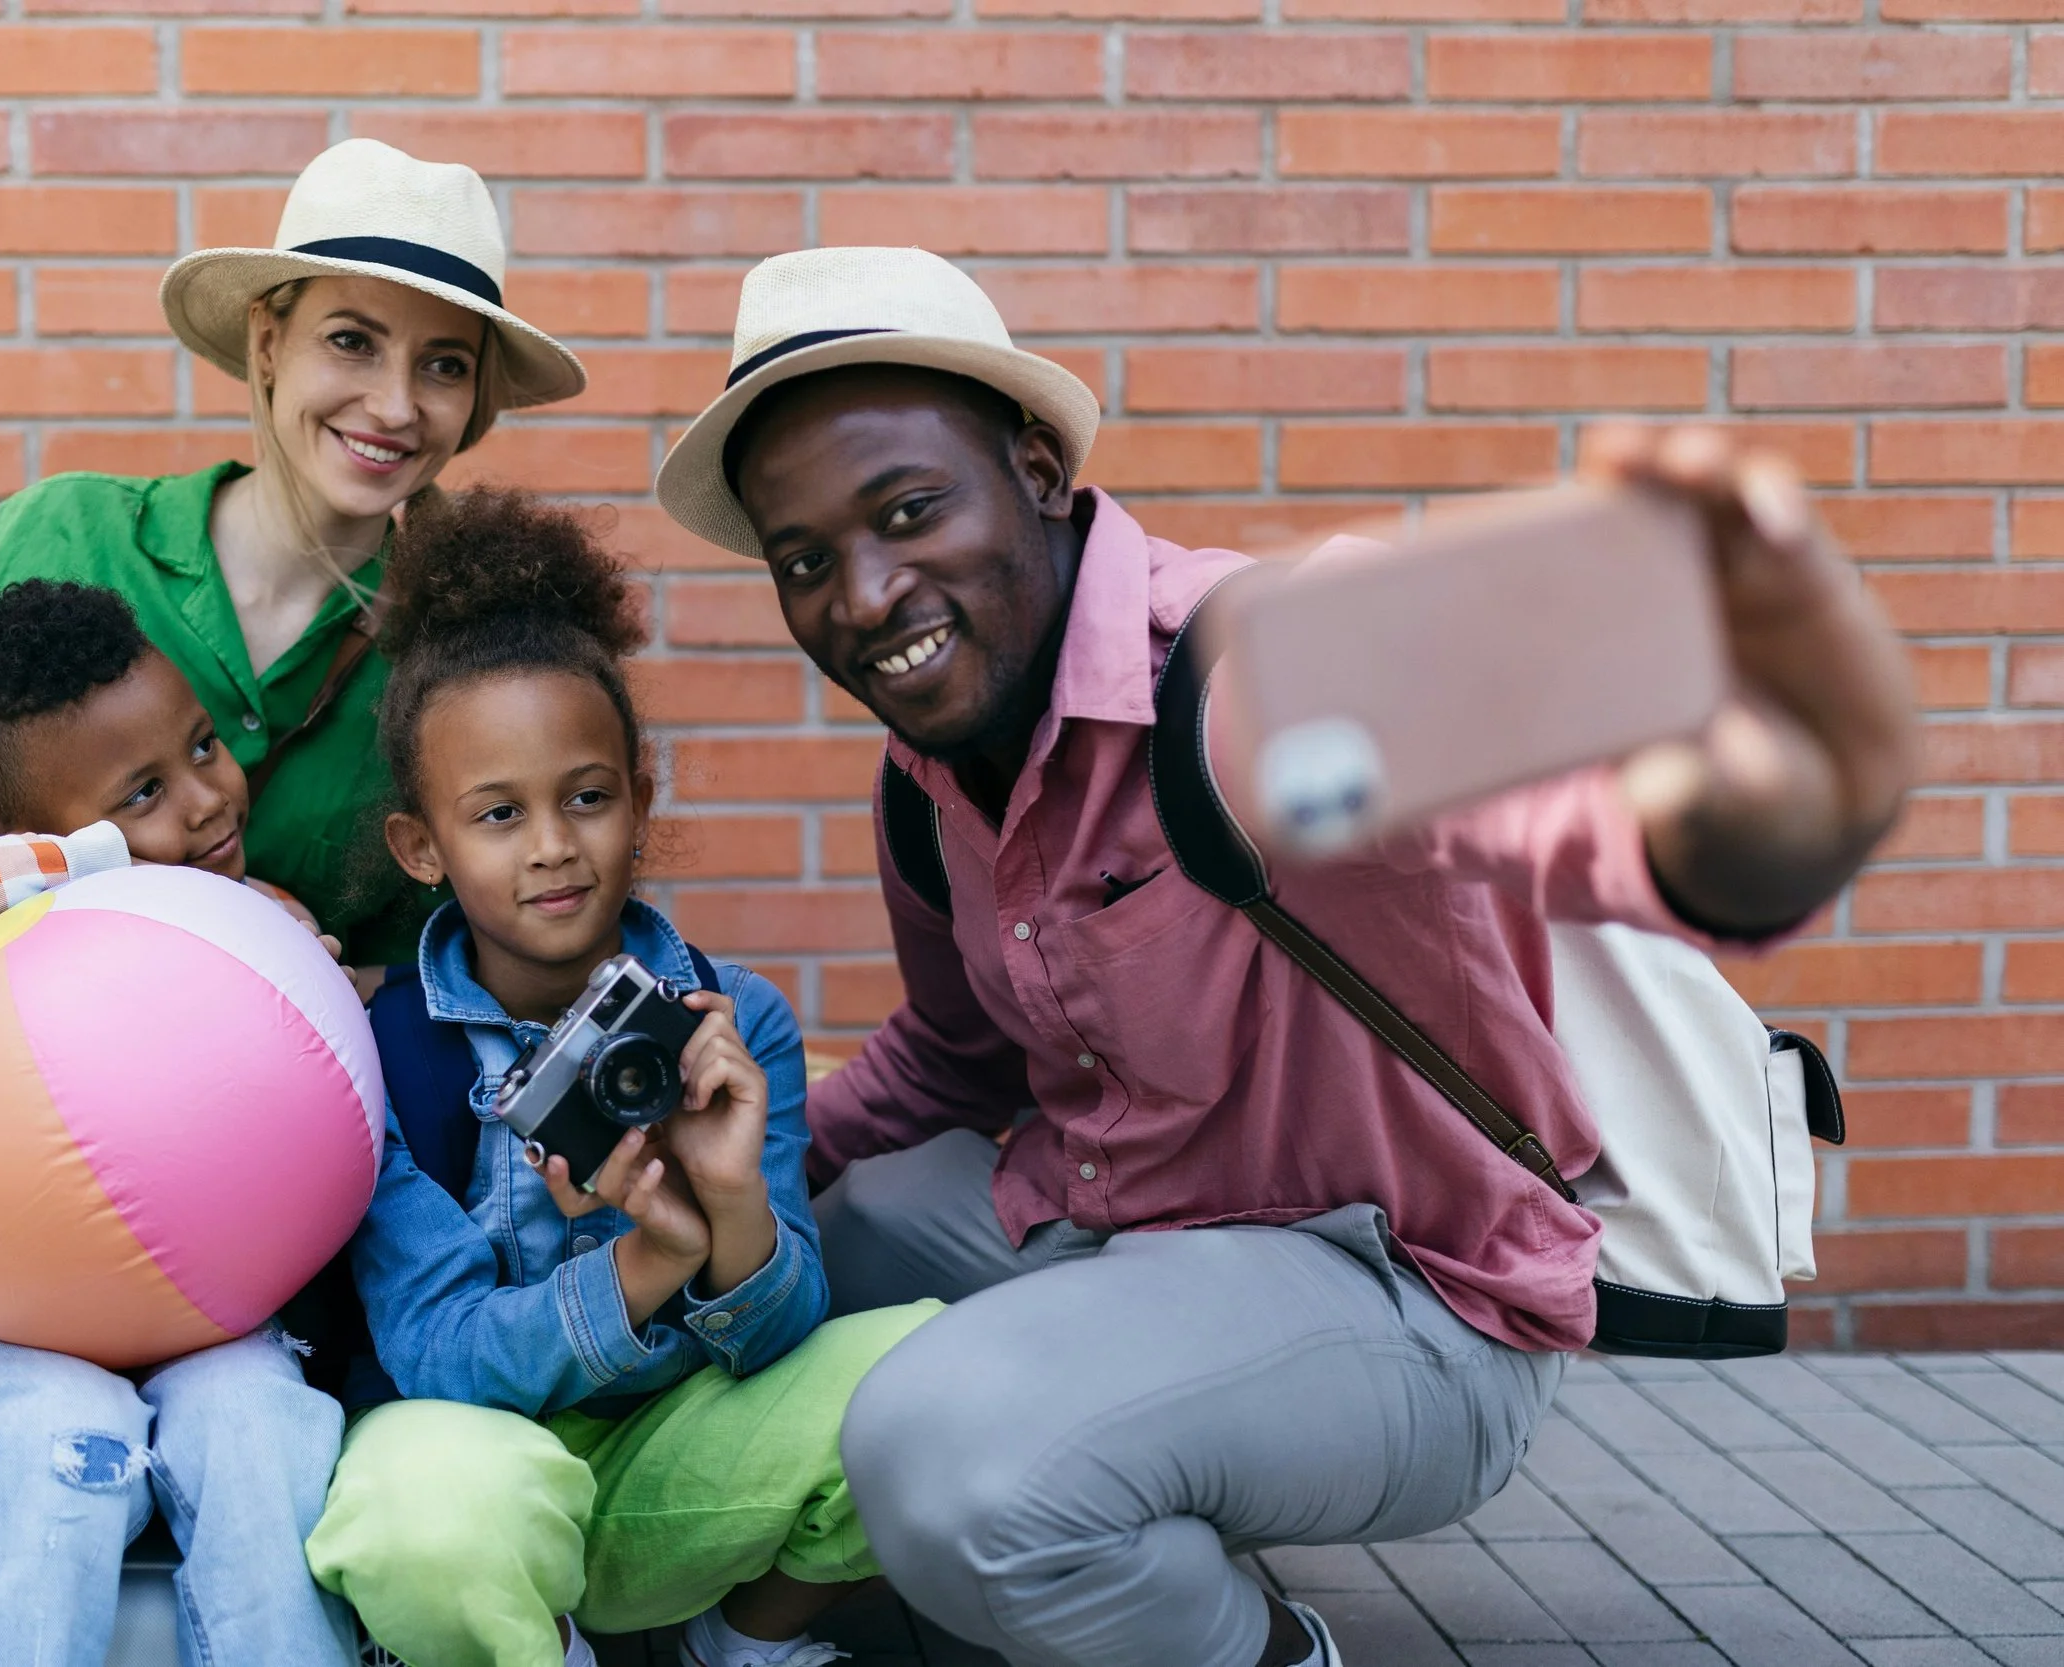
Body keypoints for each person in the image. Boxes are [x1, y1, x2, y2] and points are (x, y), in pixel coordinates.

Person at [651, 246, 1920, 1667]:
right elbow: (951, 1058)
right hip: (1132, 1238)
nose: (865, 594)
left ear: (1040, 468)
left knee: (942, 1452)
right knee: (841, 1220)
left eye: (909, 510)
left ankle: (1257, 1643)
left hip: (1408, 1300)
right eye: (805, 560)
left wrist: (1780, 796)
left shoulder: (1251, 670)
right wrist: (708, 1160)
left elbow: (1585, 799)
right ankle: (1064, 1522)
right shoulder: (927, 778)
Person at [0, 138, 588, 1454]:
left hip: (255, 1143)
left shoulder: (459, 650)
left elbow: (464, 964)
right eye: (353, 342)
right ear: (267, 342)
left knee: (247, 1416)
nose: (393, 402)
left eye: (443, 363)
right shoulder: (60, 541)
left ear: (476, 403)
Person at [299, 488, 938, 1667]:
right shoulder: (381, 1055)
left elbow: (782, 1335)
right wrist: (651, 1259)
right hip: (485, 1475)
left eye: (586, 796)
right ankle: (519, 1637)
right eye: (498, 814)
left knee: (940, 1373)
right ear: (420, 846)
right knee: (420, 1510)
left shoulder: (729, 1019)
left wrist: (733, 1203)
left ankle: (739, 1641)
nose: (552, 843)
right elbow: (435, 1352)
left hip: (671, 1465)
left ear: (640, 796)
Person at [0, 579, 352, 1667]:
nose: (205, 800)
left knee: (259, 1439)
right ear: (26, 836)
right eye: (144, 788)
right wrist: (96, 857)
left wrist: (137, 832)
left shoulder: (255, 924)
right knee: (53, 1441)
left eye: (203, 747)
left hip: (209, 1321)